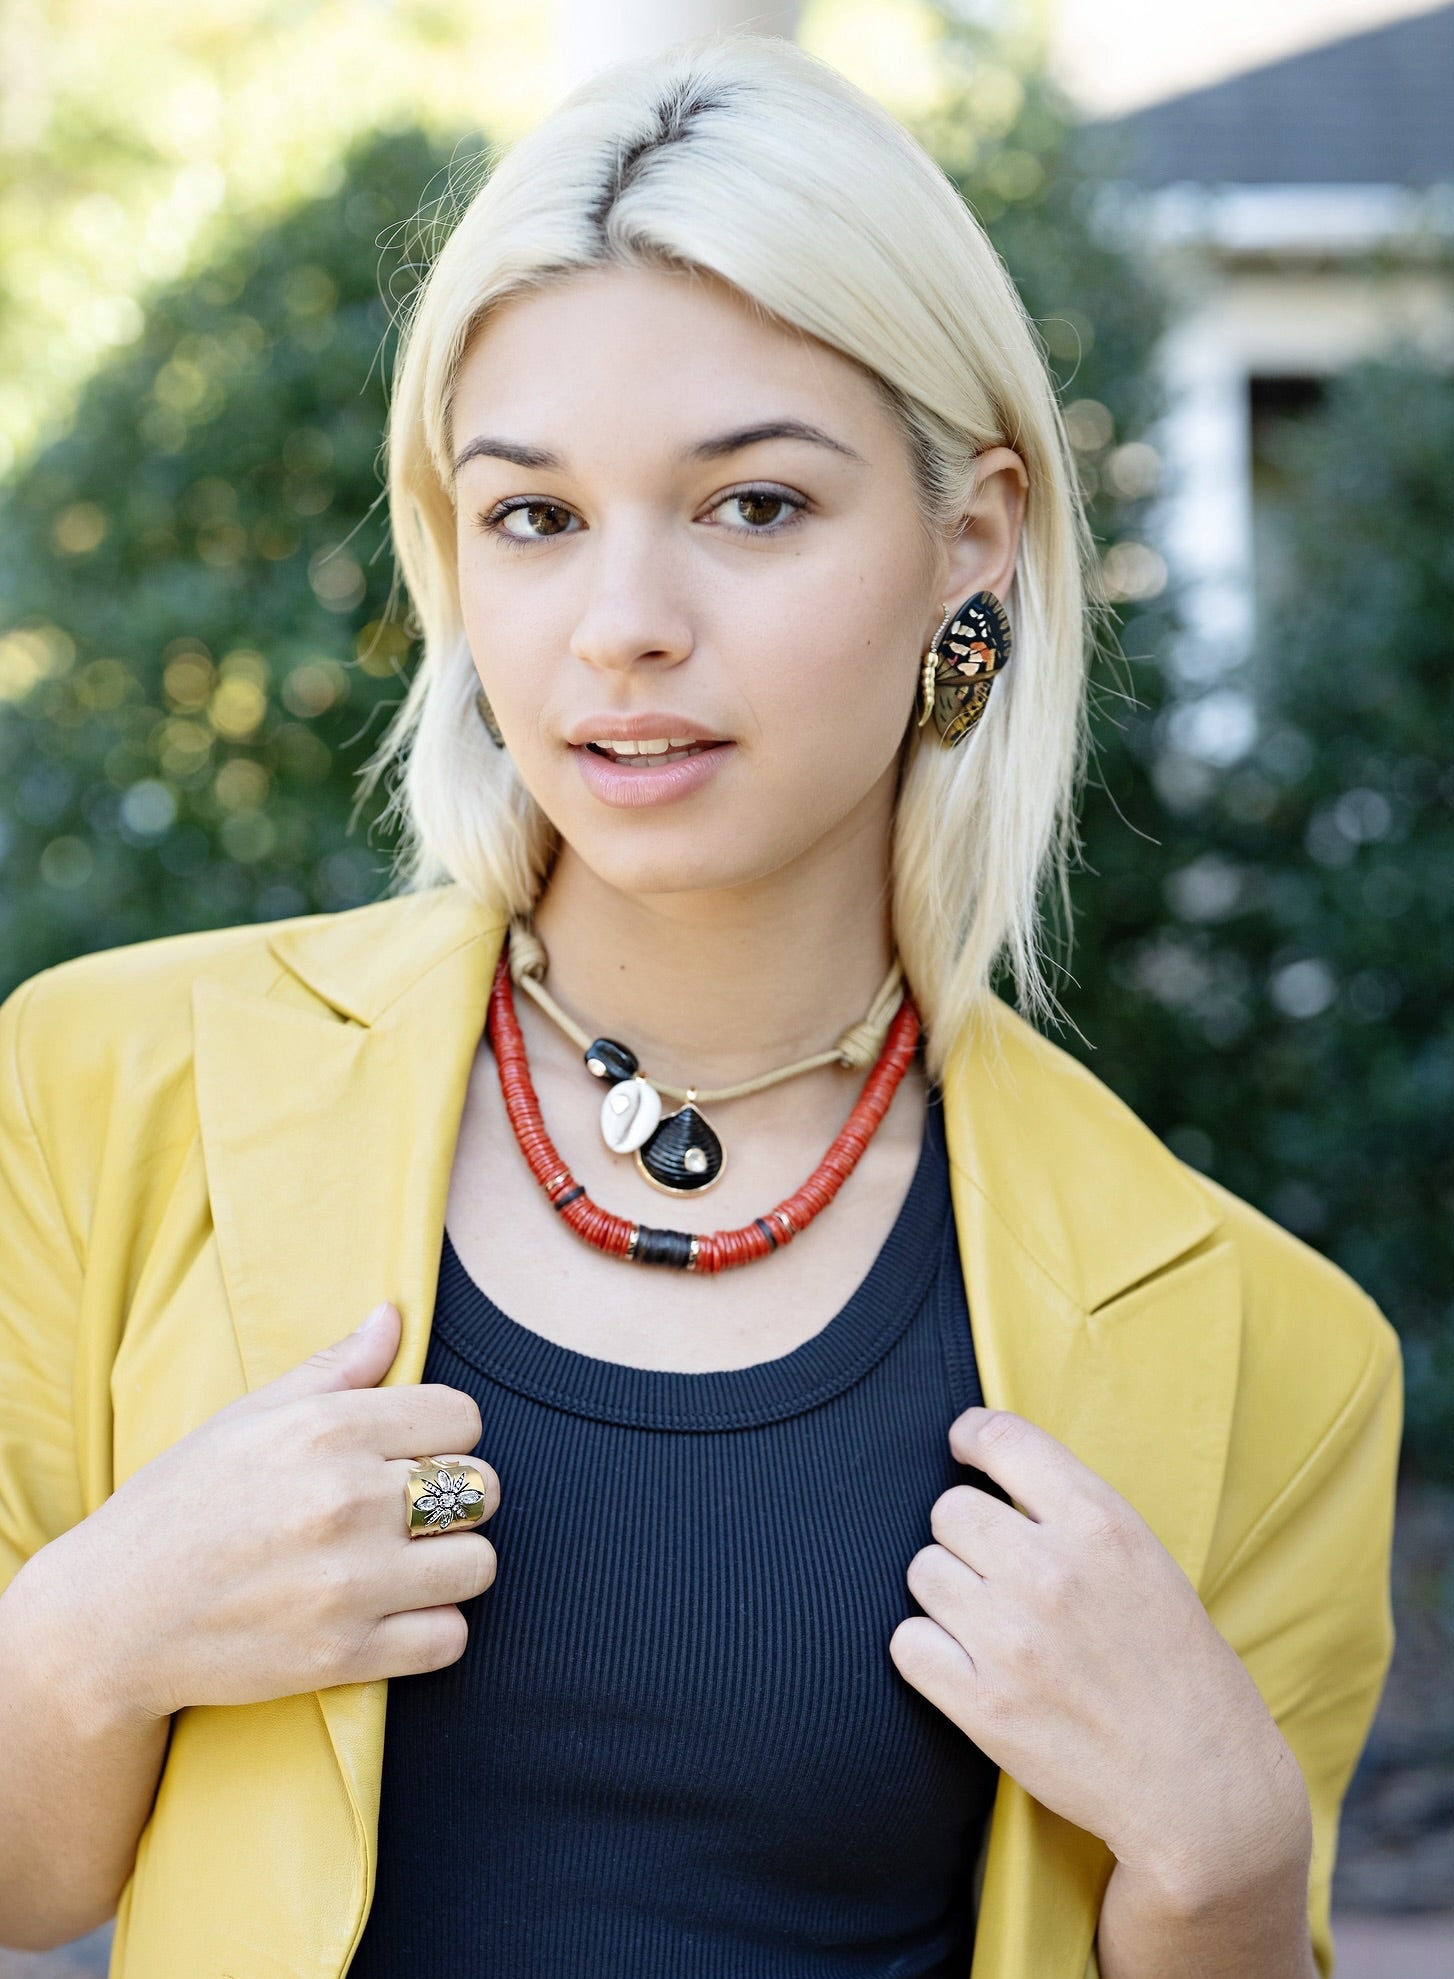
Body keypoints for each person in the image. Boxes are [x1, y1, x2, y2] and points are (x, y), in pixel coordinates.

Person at [0, 34, 1399, 1979]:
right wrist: (85, 1638)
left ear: (969, 545)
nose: (622, 622)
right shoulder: (97, 1091)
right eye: (535, 516)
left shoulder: (1265, 1354)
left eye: (750, 506)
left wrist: (1228, 1869)